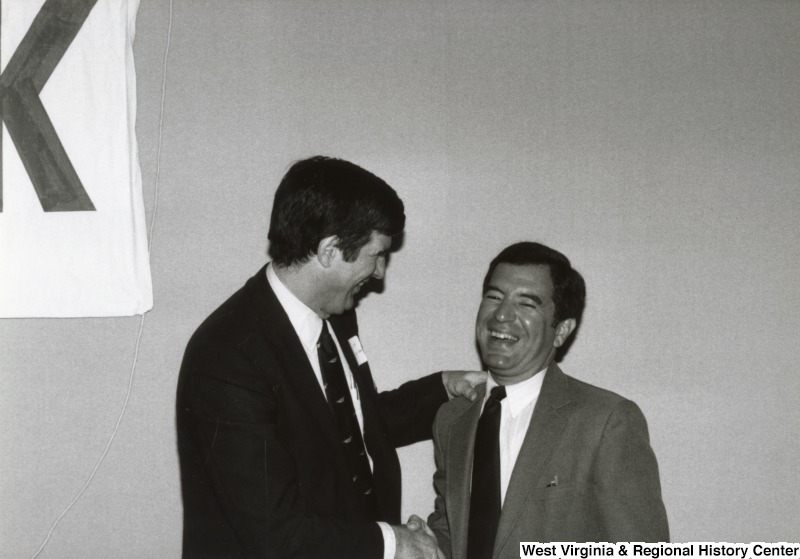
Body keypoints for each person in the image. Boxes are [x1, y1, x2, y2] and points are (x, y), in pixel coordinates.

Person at [176, 156, 483, 559]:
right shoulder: (228, 357)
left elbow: (348, 426)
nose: (379, 274)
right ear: (329, 251)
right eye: (376, 255)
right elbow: (274, 533)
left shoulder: (336, 314)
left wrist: (442, 387)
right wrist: (394, 544)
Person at [427, 242, 669, 559]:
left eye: (527, 305)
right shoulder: (452, 419)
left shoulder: (606, 421)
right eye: (494, 297)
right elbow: (452, 533)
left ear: (561, 331)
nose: (501, 315)